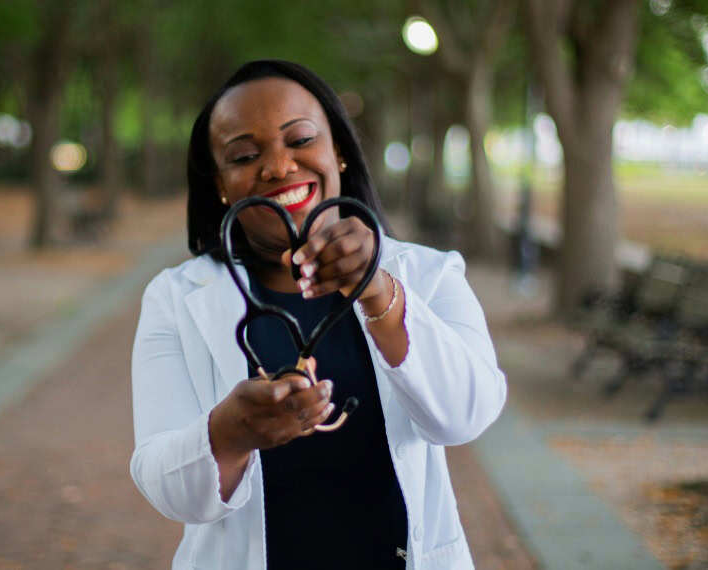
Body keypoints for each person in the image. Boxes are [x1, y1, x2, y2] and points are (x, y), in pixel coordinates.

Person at [130, 59, 507, 570]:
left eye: (300, 139)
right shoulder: (174, 299)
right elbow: (166, 487)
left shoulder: (429, 274)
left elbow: (466, 415)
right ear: (220, 185)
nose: (279, 166)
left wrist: (377, 290)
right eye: (244, 154)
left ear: (340, 153)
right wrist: (230, 434)